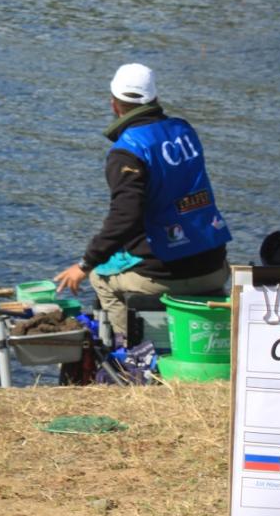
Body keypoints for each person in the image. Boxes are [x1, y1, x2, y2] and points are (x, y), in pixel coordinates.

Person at [54, 63, 231, 341]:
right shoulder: (185, 131)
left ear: (114, 104)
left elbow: (125, 217)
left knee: (100, 278)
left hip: (166, 275)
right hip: (215, 267)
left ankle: (132, 350)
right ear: (155, 98)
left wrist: (85, 264)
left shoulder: (127, 152)